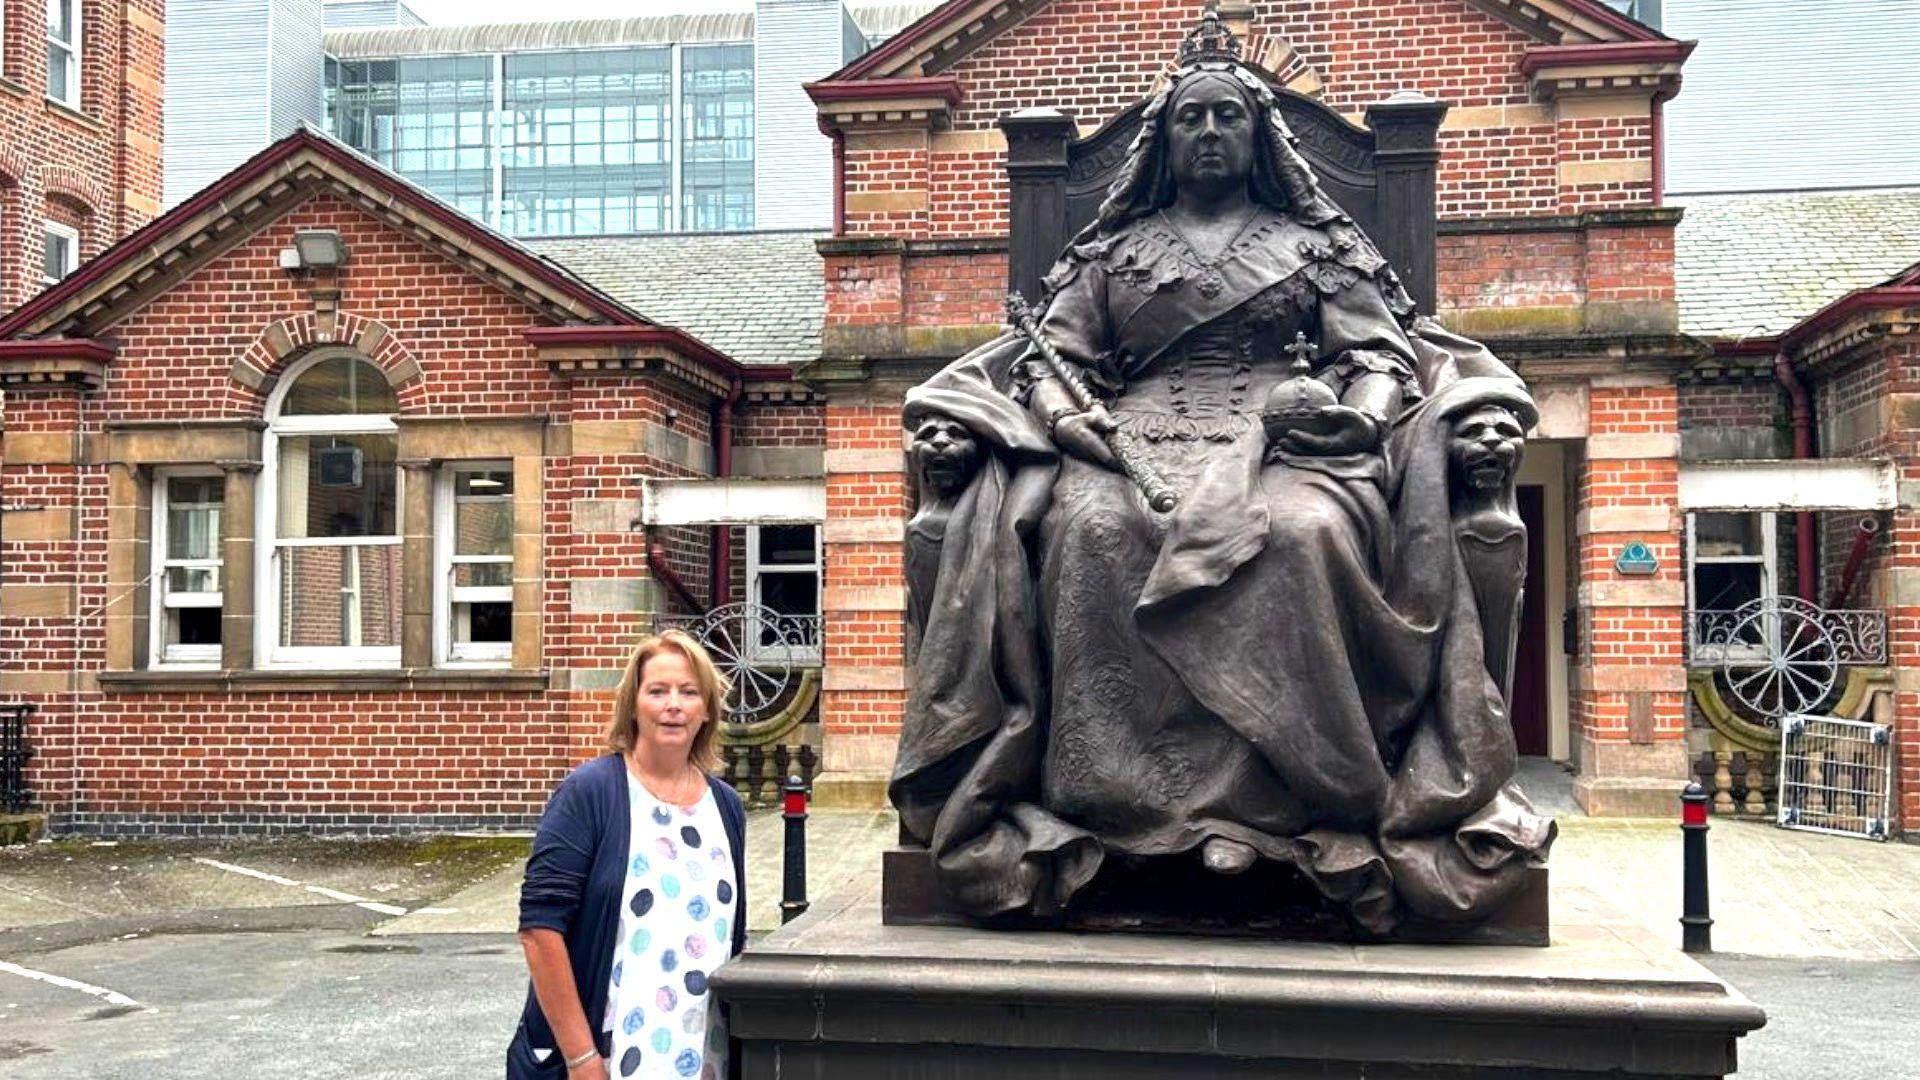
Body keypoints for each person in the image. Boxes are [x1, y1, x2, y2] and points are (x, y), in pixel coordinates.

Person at [892, 17, 1554, 933]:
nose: (1208, 132)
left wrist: (1355, 415)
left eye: (1227, 119)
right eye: (1191, 119)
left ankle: (1270, 809)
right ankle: (1113, 806)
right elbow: (1053, 361)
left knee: (1301, 535)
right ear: (1166, 143)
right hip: (1133, 439)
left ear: (1257, 138)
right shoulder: (1112, 254)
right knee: (1086, 530)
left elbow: (1380, 356)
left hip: (1289, 445)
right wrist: (1068, 419)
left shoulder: (1318, 248)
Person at [509, 630, 747, 1080]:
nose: (673, 704)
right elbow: (540, 930)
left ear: (707, 709)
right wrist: (581, 1058)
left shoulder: (726, 806)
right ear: (634, 706)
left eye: (688, 691)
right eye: (657, 691)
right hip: (606, 1061)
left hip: (704, 1057)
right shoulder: (591, 793)